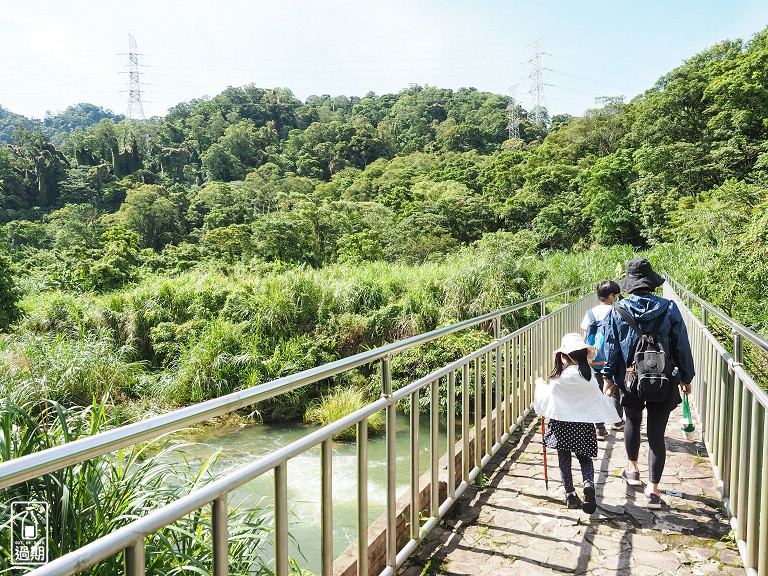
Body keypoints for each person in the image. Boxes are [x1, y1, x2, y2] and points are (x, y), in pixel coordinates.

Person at [601, 258, 695, 509]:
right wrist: (686, 377)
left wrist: (608, 377)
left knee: (632, 420)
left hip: (630, 378)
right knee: (656, 433)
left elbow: (610, 347)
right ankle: (653, 491)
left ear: (629, 284)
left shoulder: (618, 310)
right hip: (664, 379)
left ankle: (632, 471)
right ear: (651, 282)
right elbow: (681, 344)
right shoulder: (669, 308)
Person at [534, 333, 621, 513]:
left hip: (562, 426)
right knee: (585, 458)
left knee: (564, 460)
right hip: (583, 425)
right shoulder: (589, 378)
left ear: (564, 356)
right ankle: (588, 483)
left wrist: (539, 385)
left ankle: (570, 495)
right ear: (583, 354)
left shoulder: (558, 378)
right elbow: (598, 400)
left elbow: (547, 399)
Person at [581, 280, 625, 440]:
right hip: (612, 358)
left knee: (597, 390)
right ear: (612, 296)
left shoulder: (590, 312)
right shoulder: (617, 310)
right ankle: (617, 421)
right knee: (617, 389)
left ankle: (599, 428)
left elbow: (585, 337)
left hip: (594, 358)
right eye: (617, 294)